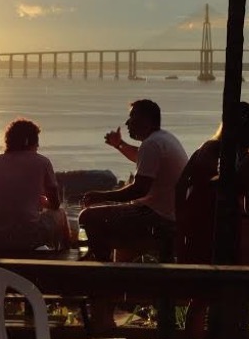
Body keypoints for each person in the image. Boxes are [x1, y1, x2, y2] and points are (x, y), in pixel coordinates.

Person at [175, 102, 249, 339]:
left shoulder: (206, 149)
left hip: (195, 225)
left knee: (199, 296)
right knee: (229, 293)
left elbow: (181, 185)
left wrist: (180, 219)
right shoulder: (248, 161)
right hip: (224, 228)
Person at [79, 99, 188, 262]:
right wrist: (119, 144)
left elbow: (139, 190)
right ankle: (114, 263)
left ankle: (101, 267)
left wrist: (101, 196)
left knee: (88, 216)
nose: (127, 123)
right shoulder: (163, 138)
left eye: (132, 117)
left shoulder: (151, 144)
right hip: (171, 213)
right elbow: (139, 157)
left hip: (157, 217)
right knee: (116, 215)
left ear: (146, 120)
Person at [0, 118, 68, 253]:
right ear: (29, 141)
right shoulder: (42, 162)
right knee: (60, 213)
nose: (38, 145)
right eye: (36, 140)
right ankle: (63, 255)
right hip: (26, 239)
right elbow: (55, 204)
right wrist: (42, 202)